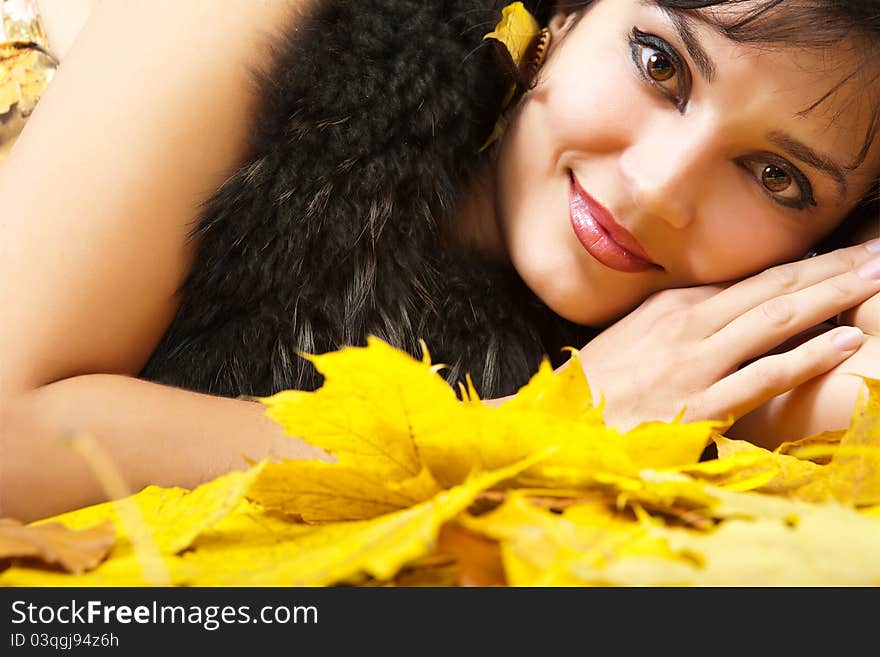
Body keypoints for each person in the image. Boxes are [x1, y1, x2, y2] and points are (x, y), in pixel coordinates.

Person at [1, 0, 878, 522]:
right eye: (659, 64)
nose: (655, 188)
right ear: (569, 12)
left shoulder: (699, 328)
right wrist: (514, 434)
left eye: (777, 177)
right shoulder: (268, 22)